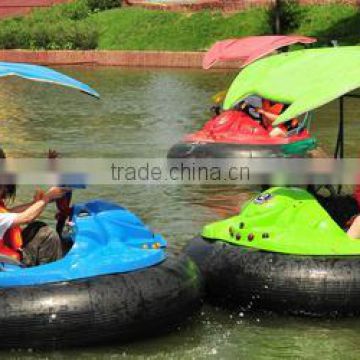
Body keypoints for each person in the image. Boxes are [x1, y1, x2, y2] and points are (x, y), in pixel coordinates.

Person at [0, 183, 70, 266]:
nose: (5, 192)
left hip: (7, 254)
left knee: (37, 226)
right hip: (8, 262)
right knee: (47, 235)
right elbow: (26, 217)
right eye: (3, 188)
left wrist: (37, 202)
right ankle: (50, 272)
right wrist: (47, 198)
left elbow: (10, 212)